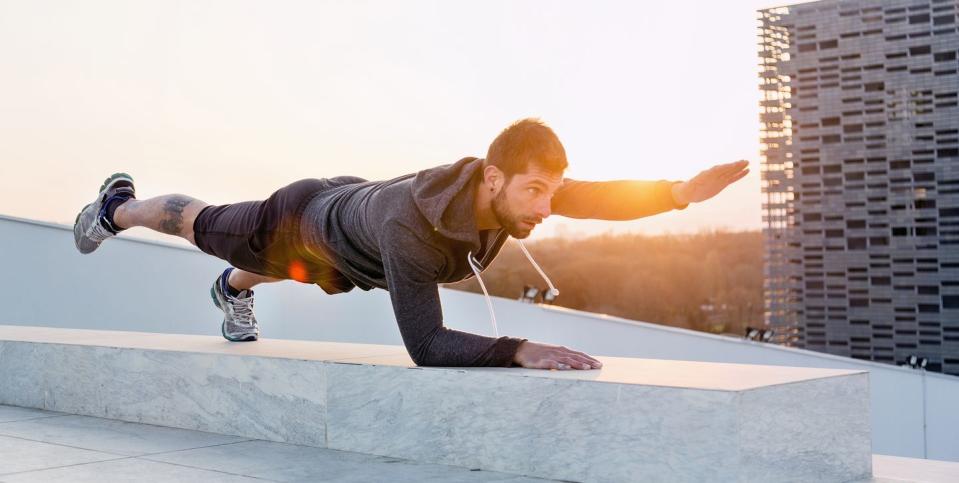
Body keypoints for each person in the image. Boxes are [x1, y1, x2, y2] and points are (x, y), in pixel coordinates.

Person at [73, 118, 749, 371]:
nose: (548, 208)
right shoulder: (412, 232)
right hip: (297, 218)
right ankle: (118, 207)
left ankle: (232, 290)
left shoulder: (511, 191)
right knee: (202, 223)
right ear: (494, 178)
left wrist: (680, 192)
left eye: (551, 191)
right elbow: (426, 346)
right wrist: (520, 349)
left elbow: (595, 196)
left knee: (313, 275)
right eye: (537, 193)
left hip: (346, 228)